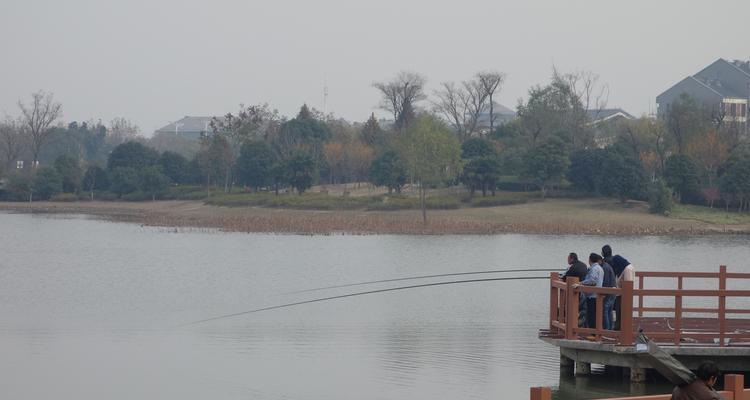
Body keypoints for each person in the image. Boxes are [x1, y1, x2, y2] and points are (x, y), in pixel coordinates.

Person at [577, 253, 604, 330]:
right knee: (595, 315)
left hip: (592, 295)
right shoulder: (600, 268)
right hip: (597, 295)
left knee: (591, 315)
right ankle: (595, 332)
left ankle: (593, 333)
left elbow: (592, 281)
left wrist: (581, 283)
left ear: (590, 259)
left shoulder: (594, 268)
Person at [562, 252, 589, 327]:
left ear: (572, 259)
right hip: (584, 290)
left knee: (575, 309)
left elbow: (565, 277)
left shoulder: (573, 267)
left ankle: (574, 326)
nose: (567, 260)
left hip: (576, 291)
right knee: (583, 310)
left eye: (568, 259)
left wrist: (561, 277)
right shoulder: (584, 265)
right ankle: (582, 326)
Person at [612, 254, 635, 330]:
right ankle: (619, 326)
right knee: (619, 311)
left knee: (621, 311)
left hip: (624, 295)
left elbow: (628, 283)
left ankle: (622, 327)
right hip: (620, 293)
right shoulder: (623, 267)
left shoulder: (627, 269)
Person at [601, 255, 617, 330]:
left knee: (605, 310)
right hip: (613, 291)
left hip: (609, 292)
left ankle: (606, 329)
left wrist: (603, 293)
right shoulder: (608, 267)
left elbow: (606, 281)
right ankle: (610, 328)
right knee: (609, 311)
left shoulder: (605, 267)